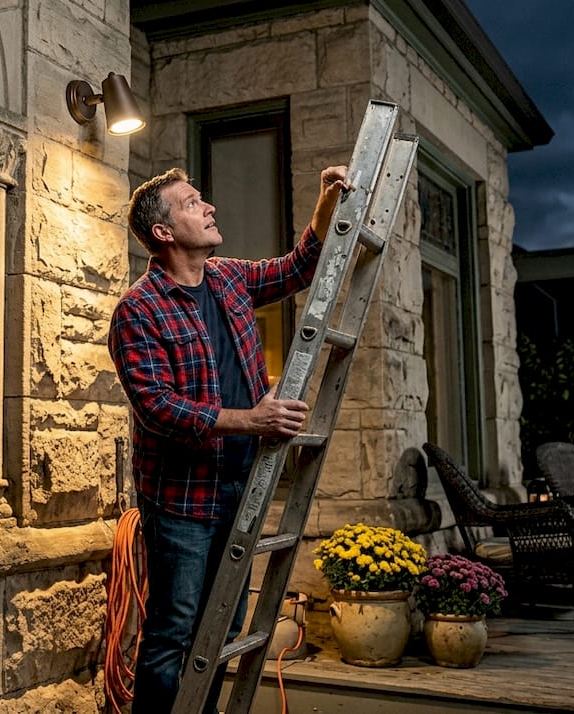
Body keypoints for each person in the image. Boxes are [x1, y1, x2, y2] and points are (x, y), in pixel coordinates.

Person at [108, 164, 350, 714]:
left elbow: (296, 269)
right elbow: (158, 409)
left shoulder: (227, 277)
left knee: (224, 623)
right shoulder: (137, 310)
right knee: (174, 631)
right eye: (193, 203)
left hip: (240, 485)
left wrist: (324, 201)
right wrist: (253, 421)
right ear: (164, 233)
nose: (209, 207)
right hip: (181, 499)